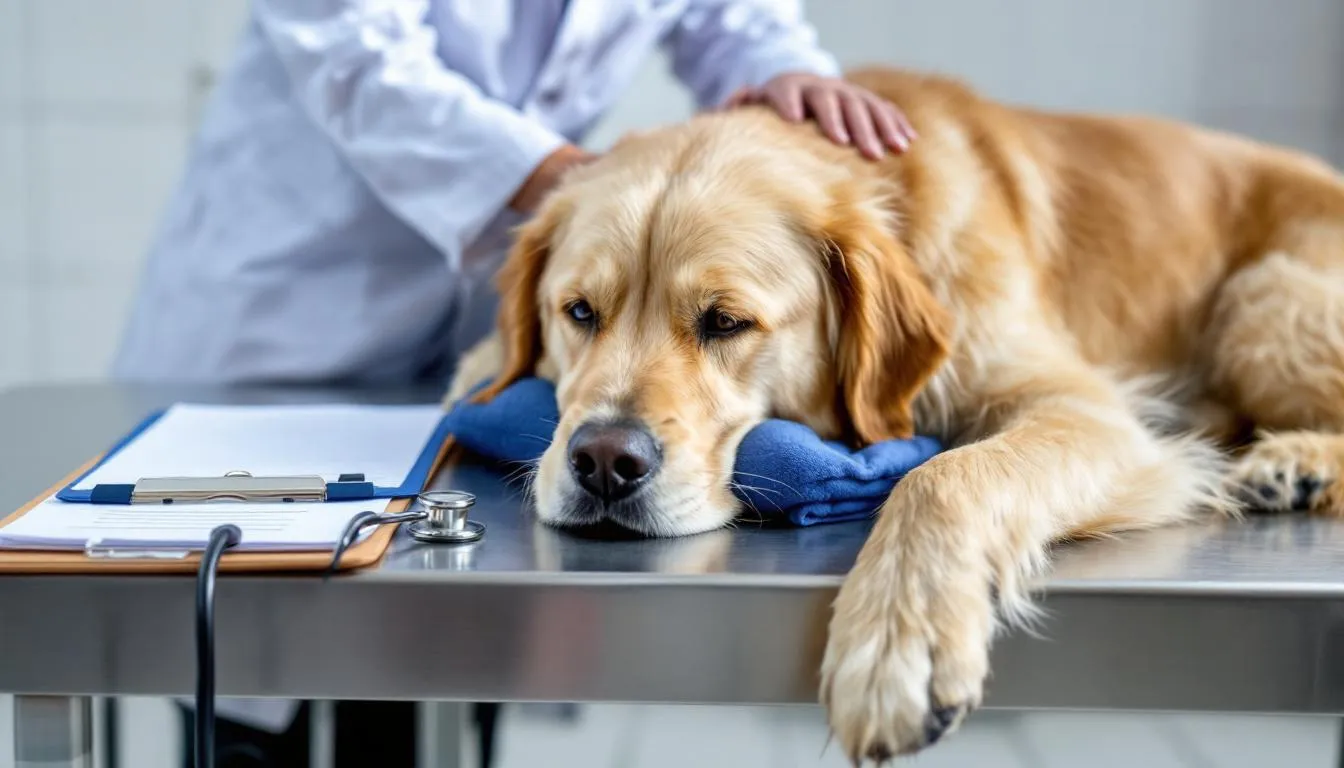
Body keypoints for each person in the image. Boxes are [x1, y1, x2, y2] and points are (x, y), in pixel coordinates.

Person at [110, 1, 914, 765]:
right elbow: (350, 51)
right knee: (257, 685)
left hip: (491, 349)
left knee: (446, 676)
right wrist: (586, 188)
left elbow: (732, 20)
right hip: (285, 322)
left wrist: (785, 73)